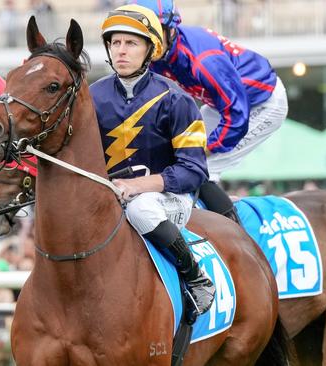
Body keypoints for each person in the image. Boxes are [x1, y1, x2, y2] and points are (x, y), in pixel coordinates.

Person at [92, 4, 215, 314]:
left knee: (140, 208)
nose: (121, 50)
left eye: (131, 43)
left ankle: (196, 277)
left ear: (150, 49)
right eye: (115, 42)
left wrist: (141, 185)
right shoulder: (92, 97)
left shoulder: (176, 99)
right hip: (109, 196)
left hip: (168, 199)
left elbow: (195, 170)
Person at [131, 0, 289, 223]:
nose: (146, 42)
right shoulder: (160, 55)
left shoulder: (203, 60)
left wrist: (206, 148)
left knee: (199, 168)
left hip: (261, 103)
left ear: (170, 29)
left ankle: (237, 234)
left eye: (152, 33)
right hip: (221, 104)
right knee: (177, 159)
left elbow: (237, 114)